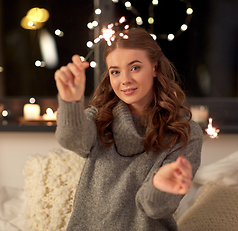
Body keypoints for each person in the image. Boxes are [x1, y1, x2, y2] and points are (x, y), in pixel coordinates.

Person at [54, 27, 203, 231]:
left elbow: (154, 208)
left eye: (134, 68)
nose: (125, 80)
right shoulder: (99, 119)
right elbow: (71, 139)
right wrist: (70, 101)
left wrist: (159, 185)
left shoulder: (184, 133)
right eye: (115, 71)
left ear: (155, 68)